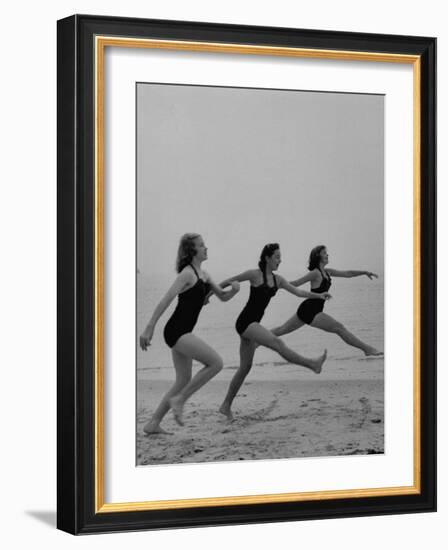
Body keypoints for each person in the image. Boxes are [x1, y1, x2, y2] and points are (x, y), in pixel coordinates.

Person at [217, 243, 331, 421]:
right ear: (267, 258)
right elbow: (229, 280)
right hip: (245, 323)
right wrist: (209, 296)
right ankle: (312, 364)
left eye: (280, 257)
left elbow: (299, 292)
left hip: (252, 325)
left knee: (245, 368)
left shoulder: (278, 280)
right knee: (277, 343)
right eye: (277, 257)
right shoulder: (254, 274)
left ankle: (225, 405)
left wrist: (318, 295)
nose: (280, 260)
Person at [139, 233, 240, 433]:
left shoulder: (205, 275)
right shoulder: (187, 274)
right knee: (216, 363)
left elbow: (222, 296)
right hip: (176, 331)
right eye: (202, 245)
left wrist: (234, 290)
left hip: (183, 331)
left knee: (183, 380)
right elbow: (166, 300)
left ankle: (153, 423)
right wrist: (149, 327)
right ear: (192, 250)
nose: (206, 248)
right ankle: (180, 400)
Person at [271, 245, 382, 356]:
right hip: (311, 310)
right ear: (318, 256)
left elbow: (348, 274)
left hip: (309, 309)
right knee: (339, 328)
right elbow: (296, 283)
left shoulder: (327, 272)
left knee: (282, 330)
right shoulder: (315, 273)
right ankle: (367, 350)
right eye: (324, 253)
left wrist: (364, 272)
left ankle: (256, 338)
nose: (327, 255)